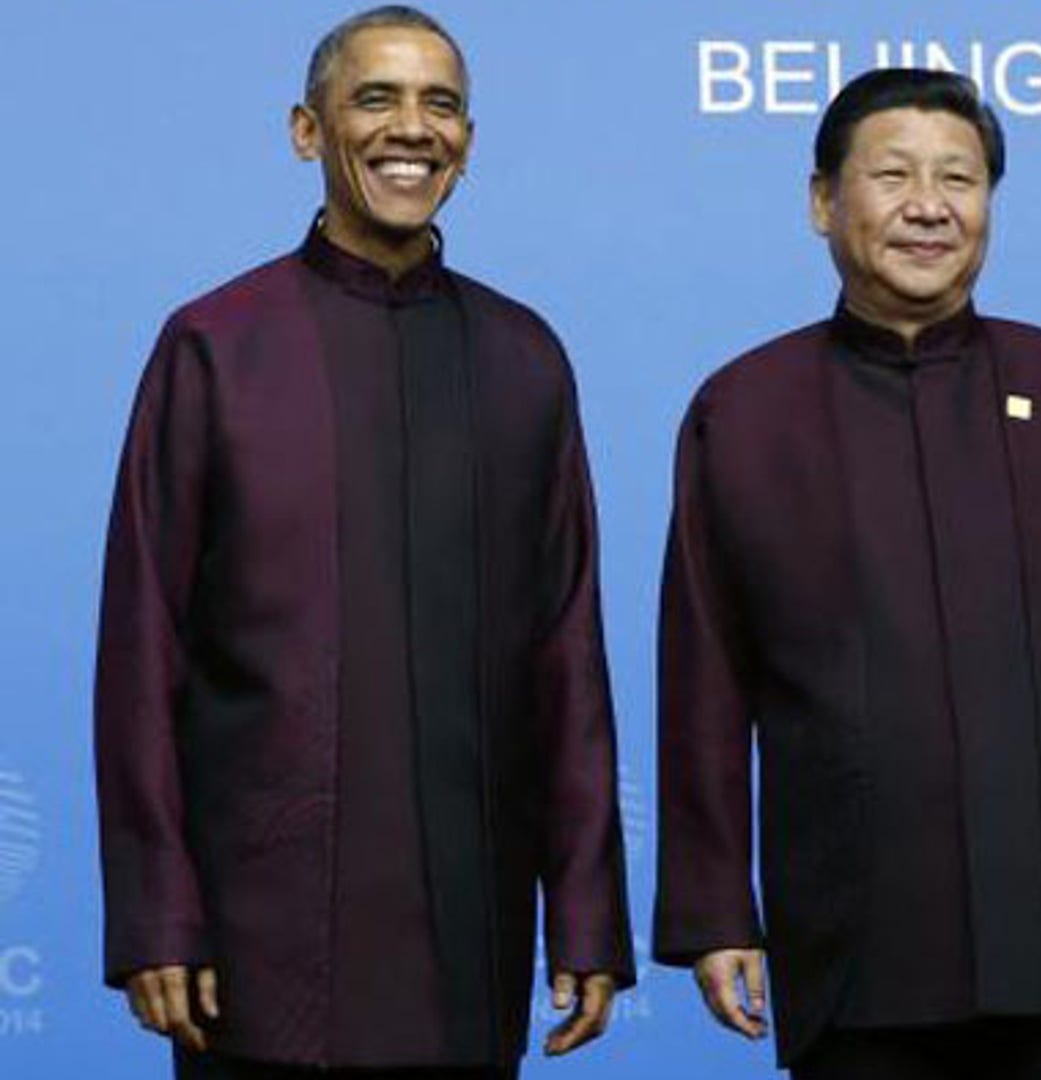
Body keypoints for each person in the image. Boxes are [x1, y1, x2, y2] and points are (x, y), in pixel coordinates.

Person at [651, 68, 1041, 1080]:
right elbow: (703, 679)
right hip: (855, 956)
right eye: (893, 175)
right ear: (822, 202)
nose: (929, 206)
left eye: (959, 180)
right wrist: (715, 908)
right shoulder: (745, 412)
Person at [94, 7, 633, 1076]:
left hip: (469, 936)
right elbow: (141, 648)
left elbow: (567, 657)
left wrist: (585, 909)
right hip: (257, 943)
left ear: (468, 142)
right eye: (376, 99)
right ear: (308, 131)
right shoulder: (215, 345)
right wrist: (158, 913)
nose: (413, 128)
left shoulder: (526, 359)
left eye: (441, 104)